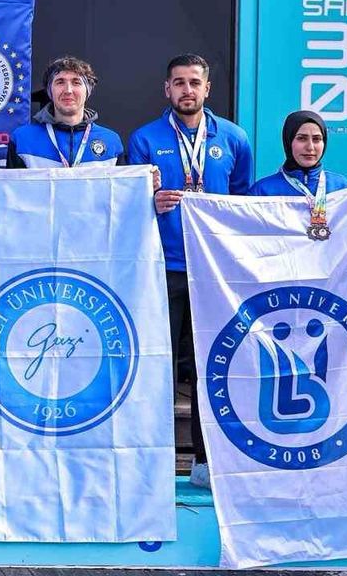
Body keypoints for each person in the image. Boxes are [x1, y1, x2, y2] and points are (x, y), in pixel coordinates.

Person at [127, 53, 253, 489]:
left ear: (207, 88)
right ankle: (154, 459)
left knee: (210, 366)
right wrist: (149, 201)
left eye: (194, 82)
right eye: (178, 82)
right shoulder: (145, 138)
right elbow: (126, 204)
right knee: (155, 364)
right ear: (167, 89)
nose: (186, 90)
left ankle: (204, 458)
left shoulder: (234, 138)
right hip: (162, 268)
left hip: (212, 271)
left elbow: (242, 204)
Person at [6, 56, 124, 169]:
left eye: (76, 82)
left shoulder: (111, 141)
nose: (68, 90)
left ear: (88, 91)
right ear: (49, 91)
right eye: (60, 82)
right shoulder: (22, 139)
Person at [248, 110, 347, 202]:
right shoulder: (263, 192)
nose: (310, 147)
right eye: (302, 138)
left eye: (316, 139)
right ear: (288, 141)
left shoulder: (342, 188)